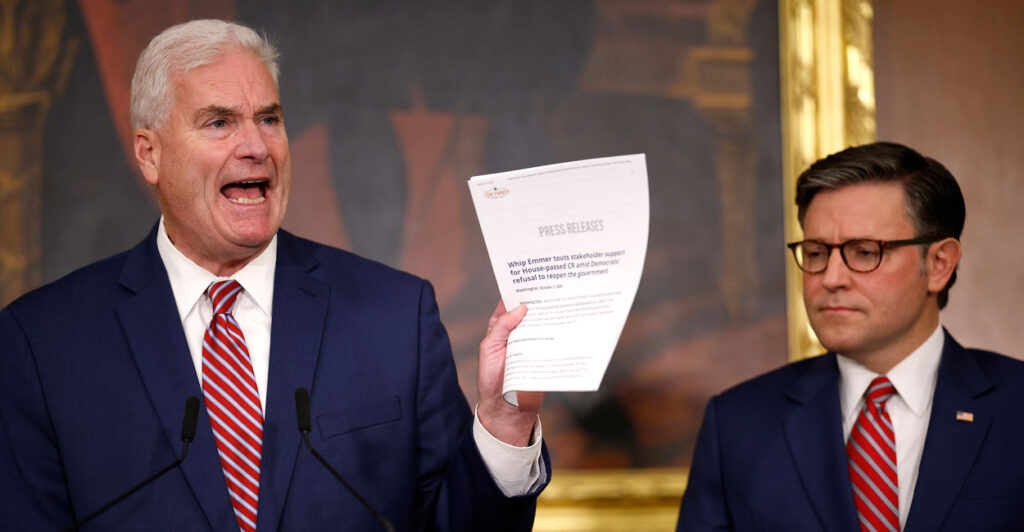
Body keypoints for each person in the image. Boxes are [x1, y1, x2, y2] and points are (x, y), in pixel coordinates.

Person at [0, 19, 548, 531]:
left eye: (269, 119)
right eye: (219, 123)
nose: (257, 147)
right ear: (150, 154)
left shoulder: (395, 317)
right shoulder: (43, 343)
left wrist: (502, 424)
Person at [677, 142, 1024, 531]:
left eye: (863, 252)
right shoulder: (738, 425)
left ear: (939, 264)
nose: (831, 278)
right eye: (815, 252)